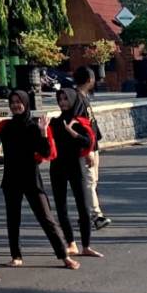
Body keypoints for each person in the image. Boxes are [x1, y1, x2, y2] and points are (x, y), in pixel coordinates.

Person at [0, 91, 79, 270]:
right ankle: (16, 255)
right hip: (11, 179)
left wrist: (43, 133)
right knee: (13, 219)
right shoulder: (6, 127)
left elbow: (47, 153)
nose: (16, 105)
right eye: (13, 102)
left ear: (26, 103)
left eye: (19, 102)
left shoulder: (33, 127)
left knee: (47, 218)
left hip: (31, 178)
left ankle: (64, 256)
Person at [50, 88, 103, 260]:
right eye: (60, 99)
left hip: (75, 166)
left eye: (66, 99)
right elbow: (47, 143)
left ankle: (86, 245)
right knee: (61, 207)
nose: (63, 102)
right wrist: (43, 130)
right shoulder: (54, 122)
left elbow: (89, 141)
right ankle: (71, 243)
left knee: (83, 207)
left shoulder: (79, 122)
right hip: (57, 167)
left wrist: (72, 132)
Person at [73, 66, 110, 230]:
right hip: (86, 148)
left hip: (92, 145)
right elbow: (81, 127)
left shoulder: (82, 97)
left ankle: (85, 215)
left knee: (92, 181)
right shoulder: (77, 99)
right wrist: (87, 149)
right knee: (88, 181)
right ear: (90, 80)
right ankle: (96, 216)